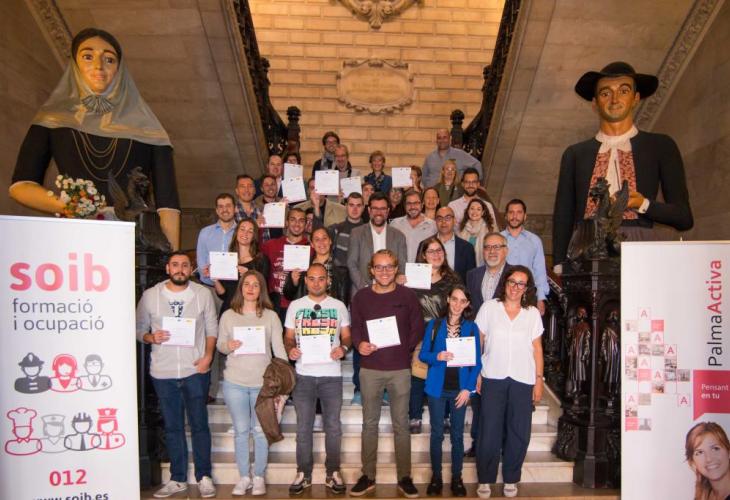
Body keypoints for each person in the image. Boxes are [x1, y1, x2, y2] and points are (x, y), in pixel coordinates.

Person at [9, 28, 180, 248]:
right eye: (88, 57)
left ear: (119, 68)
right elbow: (21, 185)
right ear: (75, 64)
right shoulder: (52, 121)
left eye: (109, 59)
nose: (99, 66)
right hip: (74, 238)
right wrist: (68, 206)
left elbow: (168, 204)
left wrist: (173, 258)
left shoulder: (149, 129)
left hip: (133, 241)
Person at [553, 61, 693, 270]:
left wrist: (643, 204)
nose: (615, 99)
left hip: (639, 248)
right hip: (586, 248)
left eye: (624, 91)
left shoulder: (660, 145)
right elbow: (563, 215)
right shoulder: (575, 154)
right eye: (605, 93)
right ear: (595, 102)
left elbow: (683, 217)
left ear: (636, 98)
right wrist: (559, 264)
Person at [136, 251, 218, 499]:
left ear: (191, 269)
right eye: (175, 265)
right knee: (172, 427)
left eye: (184, 265)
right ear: (168, 269)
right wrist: (150, 337)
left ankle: (204, 476)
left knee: (199, 425)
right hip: (163, 372)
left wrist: (208, 357)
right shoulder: (151, 296)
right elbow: (138, 329)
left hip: (195, 370)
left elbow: (212, 329)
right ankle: (178, 478)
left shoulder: (202, 294)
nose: (180, 269)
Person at [349, 250, 424, 498]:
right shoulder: (361, 297)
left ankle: (405, 477)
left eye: (389, 266)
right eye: (379, 267)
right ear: (371, 270)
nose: (384, 271)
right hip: (370, 369)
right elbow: (356, 327)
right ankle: (368, 475)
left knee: (401, 425)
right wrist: (359, 344)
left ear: (396, 268)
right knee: (369, 424)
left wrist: (405, 348)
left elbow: (417, 327)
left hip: (399, 369)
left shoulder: (408, 296)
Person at [474, 265, 544, 499]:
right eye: (512, 282)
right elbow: (478, 342)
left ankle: (511, 478)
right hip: (492, 377)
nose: (515, 287)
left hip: (523, 379)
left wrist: (539, 381)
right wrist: (476, 373)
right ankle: (485, 478)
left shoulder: (532, 313)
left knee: (519, 431)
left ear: (527, 288)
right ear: (504, 283)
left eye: (521, 284)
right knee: (489, 430)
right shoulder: (489, 308)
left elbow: (537, 349)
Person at [217, 270, 286, 496]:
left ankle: (258, 476)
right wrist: (229, 346)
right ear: (241, 288)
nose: (250, 288)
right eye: (247, 284)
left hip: (262, 385)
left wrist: (282, 384)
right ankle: (244, 477)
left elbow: (279, 351)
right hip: (234, 382)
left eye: (256, 285)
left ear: (261, 290)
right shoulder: (228, 315)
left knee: (260, 431)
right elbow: (220, 345)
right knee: (241, 431)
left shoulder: (270, 316)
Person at [284, 263, 352, 495]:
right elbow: (288, 337)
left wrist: (343, 348)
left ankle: (333, 472)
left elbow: (347, 336)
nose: (316, 283)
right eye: (311, 279)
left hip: (331, 375)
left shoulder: (338, 306)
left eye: (321, 278)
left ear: (328, 281)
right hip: (303, 375)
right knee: (303, 427)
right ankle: (303, 472)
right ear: (305, 281)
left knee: (333, 426)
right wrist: (291, 349)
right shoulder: (295, 306)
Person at [420, 285, 481, 497]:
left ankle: (457, 478)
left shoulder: (471, 328)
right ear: (448, 299)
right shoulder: (435, 325)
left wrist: (468, 389)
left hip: (459, 391)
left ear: (467, 304)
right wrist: (437, 356)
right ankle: (436, 477)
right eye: (454, 299)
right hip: (436, 389)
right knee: (436, 434)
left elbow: (476, 363)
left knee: (457, 435)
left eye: (462, 301)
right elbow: (423, 355)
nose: (457, 304)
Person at [464, 233, 513, 456]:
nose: (492, 251)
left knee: (500, 397)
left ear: (506, 250)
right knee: (477, 395)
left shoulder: (514, 276)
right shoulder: (472, 275)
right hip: (478, 342)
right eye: (487, 247)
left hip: (503, 345)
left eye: (497, 247)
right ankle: (479, 442)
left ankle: (500, 443)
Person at [408, 236, 461, 435]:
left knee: (444, 376)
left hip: (445, 334)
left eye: (439, 250)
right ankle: (415, 416)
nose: (436, 254)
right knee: (418, 377)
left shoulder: (453, 279)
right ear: (423, 255)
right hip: (420, 335)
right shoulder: (413, 277)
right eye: (431, 251)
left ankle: (445, 416)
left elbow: (460, 304)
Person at [347, 192, 408, 293]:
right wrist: (365, 289)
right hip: (362, 291)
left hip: (391, 292)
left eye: (382, 209)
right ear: (369, 210)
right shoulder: (356, 233)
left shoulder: (399, 236)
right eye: (375, 208)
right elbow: (351, 263)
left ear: (388, 211)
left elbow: (402, 265)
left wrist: (399, 277)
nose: (378, 212)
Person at [261, 207, 310, 322]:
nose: (297, 224)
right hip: (274, 305)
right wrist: (259, 228)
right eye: (293, 219)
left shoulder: (310, 248)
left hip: (300, 304)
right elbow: (253, 253)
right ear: (286, 222)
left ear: (305, 224)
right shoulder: (271, 245)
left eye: (301, 220)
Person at [501, 199, 549, 315]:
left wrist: (540, 298)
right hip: (502, 293)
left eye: (519, 212)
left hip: (528, 295)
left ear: (525, 216)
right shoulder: (497, 238)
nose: (514, 216)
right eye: (511, 212)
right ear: (506, 216)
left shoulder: (535, 241)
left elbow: (540, 272)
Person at [214, 218, 270, 315]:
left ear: (254, 236)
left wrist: (248, 274)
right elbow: (223, 295)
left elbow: (263, 291)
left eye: (250, 231)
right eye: (242, 229)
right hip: (229, 311)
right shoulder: (226, 259)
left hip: (252, 313)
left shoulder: (262, 260)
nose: (245, 233)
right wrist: (215, 279)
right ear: (236, 232)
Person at [283, 227, 351, 306]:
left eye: (324, 238)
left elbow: (343, 301)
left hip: (331, 311)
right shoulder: (302, 267)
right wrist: (294, 283)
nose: (321, 242)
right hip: (305, 310)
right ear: (312, 244)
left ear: (330, 241)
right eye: (317, 239)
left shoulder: (342, 269)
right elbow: (288, 295)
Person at [196, 193, 236, 287]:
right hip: (209, 286)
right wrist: (207, 274)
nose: (225, 210)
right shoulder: (205, 232)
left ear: (235, 209)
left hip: (234, 287)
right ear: (217, 211)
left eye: (228, 206)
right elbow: (201, 259)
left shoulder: (242, 232)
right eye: (221, 207)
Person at [429, 206, 476, 283]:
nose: (443, 222)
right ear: (435, 221)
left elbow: (471, 279)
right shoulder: (425, 244)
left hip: (457, 289)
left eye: (447, 218)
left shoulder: (467, 248)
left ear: (454, 220)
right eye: (440, 219)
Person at [685, 422, 730, 500]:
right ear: (692, 463)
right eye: (700, 452)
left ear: (728, 451)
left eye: (715, 448)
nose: (709, 459)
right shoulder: (702, 495)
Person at [391, 189, 437, 263]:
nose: (412, 207)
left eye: (416, 203)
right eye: (409, 203)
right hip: (400, 269)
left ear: (422, 204)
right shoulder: (395, 224)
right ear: (404, 206)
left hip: (424, 269)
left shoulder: (433, 226)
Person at [330, 192, 366, 267]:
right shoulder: (336, 229)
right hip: (339, 272)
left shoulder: (369, 231)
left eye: (358, 205)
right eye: (351, 205)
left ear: (363, 207)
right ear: (346, 206)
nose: (355, 209)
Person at [458, 198, 497, 266]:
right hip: (464, 267)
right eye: (472, 208)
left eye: (478, 209)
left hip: (484, 267)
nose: (474, 212)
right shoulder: (461, 229)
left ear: (482, 212)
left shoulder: (490, 229)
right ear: (468, 211)